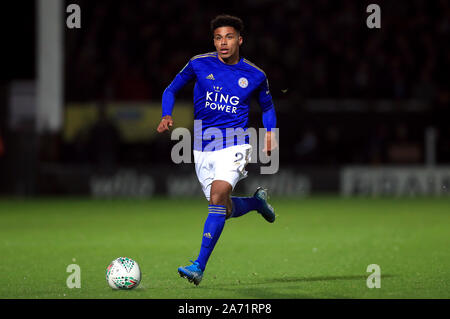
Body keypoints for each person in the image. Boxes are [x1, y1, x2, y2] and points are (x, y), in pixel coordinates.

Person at [157, 14, 278, 285]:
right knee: (222, 207)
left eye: (229, 37)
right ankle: (256, 203)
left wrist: (270, 134)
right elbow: (171, 89)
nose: (223, 43)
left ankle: (198, 266)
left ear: (240, 39)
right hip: (201, 147)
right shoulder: (198, 64)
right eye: (218, 37)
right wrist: (166, 114)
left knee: (217, 196)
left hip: (235, 143)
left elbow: (268, 107)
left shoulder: (256, 75)